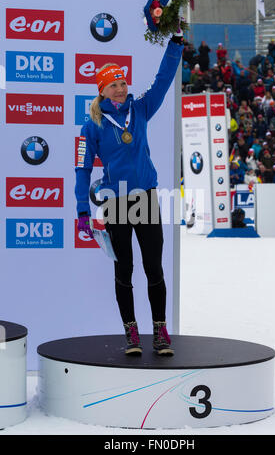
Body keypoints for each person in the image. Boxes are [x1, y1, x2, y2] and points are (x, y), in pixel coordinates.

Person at [75, 32, 184, 356]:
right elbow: (82, 169)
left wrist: (176, 42)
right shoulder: (91, 126)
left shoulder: (140, 109)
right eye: (114, 84)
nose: (121, 88)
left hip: (146, 198)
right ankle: (132, 334)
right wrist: (83, 209)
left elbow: (164, 79)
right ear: (102, 91)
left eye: (122, 82)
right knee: (124, 271)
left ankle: (161, 332)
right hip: (116, 202)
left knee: (154, 268)